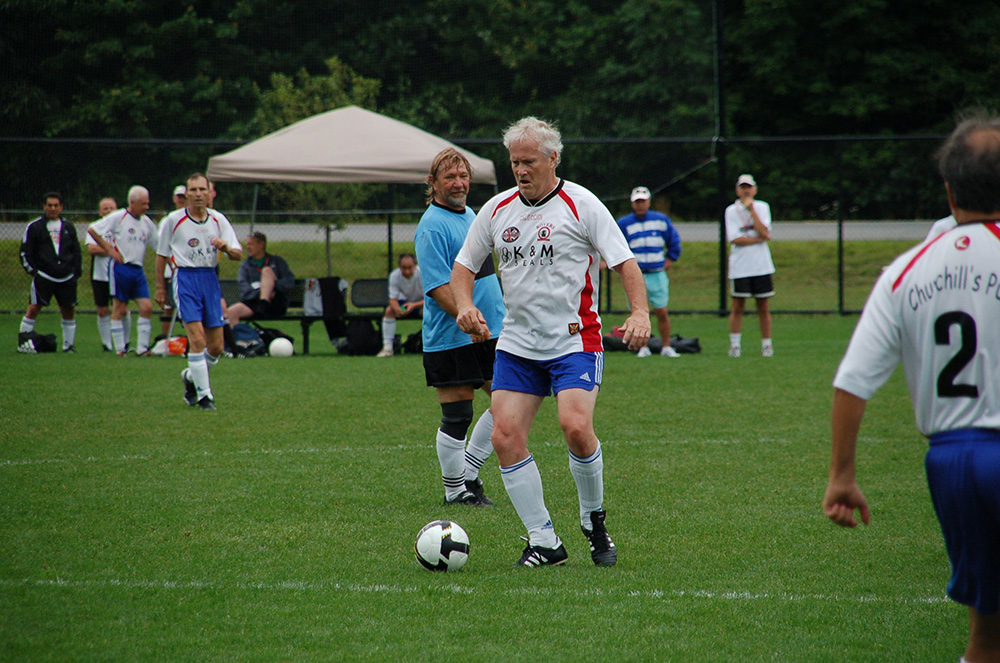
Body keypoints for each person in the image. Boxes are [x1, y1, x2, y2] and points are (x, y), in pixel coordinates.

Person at [822, 112, 1000, 663]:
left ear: (949, 190)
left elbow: (852, 381)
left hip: (950, 463)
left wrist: (842, 475)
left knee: (985, 635)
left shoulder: (906, 270)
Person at [451, 117, 651, 567]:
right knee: (505, 436)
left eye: (529, 161)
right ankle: (544, 541)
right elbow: (464, 266)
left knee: (575, 428)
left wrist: (639, 312)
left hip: (574, 341)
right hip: (518, 345)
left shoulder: (581, 204)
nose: (521, 170)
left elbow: (625, 263)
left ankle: (593, 520)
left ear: (553, 158)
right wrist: (464, 304)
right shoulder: (497, 209)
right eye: (514, 163)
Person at [414, 148, 506, 506]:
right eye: (450, 177)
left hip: (492, 329)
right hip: (452, 336)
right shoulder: (431, 226)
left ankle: (468, 474)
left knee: (510, 401)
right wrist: (467, 319)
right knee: (458, 415)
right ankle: (455, 492)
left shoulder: (472, 215)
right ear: (433, 183)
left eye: (463, 176)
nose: (458, 183)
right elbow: (438, 287)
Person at [155, 173, 242, 411]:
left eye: (202, 189)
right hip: (185, 279)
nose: (198, 194)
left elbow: (237, 253)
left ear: (210, 193)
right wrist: (160, 288)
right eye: (193, 190)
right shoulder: (173, 220)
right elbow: (161, 256)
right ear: (186, 194)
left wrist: (225, 247)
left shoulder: (218, 220)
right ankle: (205, 397)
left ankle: (190, 377)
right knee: (197, 340)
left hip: (210, 279)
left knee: (216, 348)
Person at [86, 186, 158, 356]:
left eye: (148, 203)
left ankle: (142, 348)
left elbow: (158, 244)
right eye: (143, 204)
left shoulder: (147, 222)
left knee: (147, 307)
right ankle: (120, 349)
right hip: (121, 268)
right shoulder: (119, 217)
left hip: (138, 270)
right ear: (132, 203)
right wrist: (109, 250)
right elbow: (93, 229)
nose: (147, 207)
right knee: (119, 308)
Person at [616, 185, 682, 358]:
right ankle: (643, 347)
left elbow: (674, 241)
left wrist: (670, 259)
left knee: (661, 311)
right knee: (638, 312)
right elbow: (616, 246)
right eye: (637, 202)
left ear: (649, 202)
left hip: (656, 273)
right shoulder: (623, 223)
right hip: (635, 275)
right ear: (632, 203)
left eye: (643, 201)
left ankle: (666, 346)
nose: (640, 205)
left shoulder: (661, 220)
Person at [18, 192, 83, 353]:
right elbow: (25, 251)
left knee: (68, 309)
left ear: (61, 207)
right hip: (44, 276)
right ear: (44, 206)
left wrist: (76, 271)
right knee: (34, 308)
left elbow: (76, 250)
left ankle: (68, 346)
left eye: (56, 205)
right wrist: (34, 271)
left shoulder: (68, 227)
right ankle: (24, 342)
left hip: (66, 277)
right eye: (49, 205)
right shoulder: (34, 227)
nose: (53, 208)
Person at [724, 173, 776, 358]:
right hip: (740, 266)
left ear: (754, 190)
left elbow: (765, 232)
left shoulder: (762, 207)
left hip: (762, 265)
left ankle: (766, 345)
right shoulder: (731, 210)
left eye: (749, 187)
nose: (746, 191)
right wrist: (758, 239)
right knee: (738, 305)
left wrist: (752, 210)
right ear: (737, 190)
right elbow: (735, 238)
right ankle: (735, 345)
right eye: (743, 187)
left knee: (763, 306)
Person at [226, 231, 295, 327]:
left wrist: (273, 287)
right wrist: (263, 291)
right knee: (231, 312)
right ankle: (240, 336)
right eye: (247, 245)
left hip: (275, 303)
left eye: (251, 244)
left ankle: (264, 303)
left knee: (266, 271)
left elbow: (289, 282)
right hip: (254, 303)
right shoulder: (245, 266)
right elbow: (244, 289)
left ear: (261, 245)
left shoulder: (277, 261)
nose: (248, 247)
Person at [376, 253, 424, 357]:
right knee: (389, 311)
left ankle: (428, 345)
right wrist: (397, 309)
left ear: (415, 266)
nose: (407, 271)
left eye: (410, 268)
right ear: (399, 266)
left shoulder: (422, 274)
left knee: (430, 311)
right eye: (404, 268)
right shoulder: (394, 276)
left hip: (420, 305)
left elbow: (430, 298)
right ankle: (387, 348)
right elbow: (393, 299)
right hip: (405, 305)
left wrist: (414, 305)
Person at [89, 196, 120, 351]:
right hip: (100, 275)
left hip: (119, 273)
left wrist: (106, 250)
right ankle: (107, 344)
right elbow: (92, 249)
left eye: (111, 208)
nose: (108, 211)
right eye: (105, 209)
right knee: (103, 310)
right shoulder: (95, 227)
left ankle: (123, 342)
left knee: (121, 308)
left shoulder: (121, 227)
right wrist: (111, 250)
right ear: (100, 212)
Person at [159, 184, 187, 337]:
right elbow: (164, 248)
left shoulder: (190, 219)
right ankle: (165, 338)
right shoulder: (168, 220)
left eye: (184, 197)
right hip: (170, 272)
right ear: (174, 198)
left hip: (185, 271)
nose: (181, 200)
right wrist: (173, 267)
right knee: (169, 307)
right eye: (179, 197)